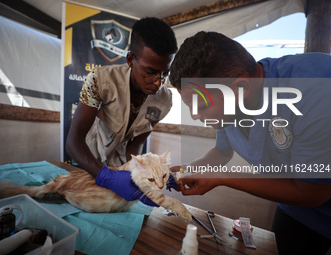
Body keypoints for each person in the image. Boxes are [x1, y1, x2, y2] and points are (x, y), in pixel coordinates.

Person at [169, 31, 331, 255]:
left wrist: (221, 178)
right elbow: (221, 151)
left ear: (242, 88)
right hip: (297, 205)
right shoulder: (231, 101)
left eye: (201, 105)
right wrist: (188, 170)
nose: (195, 115)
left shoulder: (315, 93)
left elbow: (314, 192)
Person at [66, 17, 177, 178]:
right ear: (131, 60)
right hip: (87, 162)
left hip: (119, 167)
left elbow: (136, 144)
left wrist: (134, 173)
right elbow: (73, 142)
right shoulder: (99, 80)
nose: (158, 83)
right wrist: (106, 177)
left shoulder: (164, 101)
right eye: (151, 72)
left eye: (165, 73)